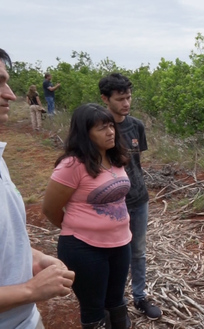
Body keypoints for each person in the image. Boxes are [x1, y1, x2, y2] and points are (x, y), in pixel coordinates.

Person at [0, 48, 75, 328]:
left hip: (25, 319)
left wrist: (35, 258)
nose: (10, 94)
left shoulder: (1, 159)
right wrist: (30, 290)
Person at [42, 103, 132, 329]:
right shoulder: (72, 165)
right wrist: (79, 227)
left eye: (111, 125)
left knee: (116, 302)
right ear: (85, 133)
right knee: (94, 309)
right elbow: (50, 209)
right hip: (85, 248)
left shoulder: (115, 158)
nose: (110, 131)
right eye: (102, 128)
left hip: (121, 243)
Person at [99, 73, 162, 320]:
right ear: (105, 98)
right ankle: (115, 303)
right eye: (120, 98)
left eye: (129, 97)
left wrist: (138, 188)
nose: (126, 103)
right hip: (112, 204)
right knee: (114, 254)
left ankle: (139, 297)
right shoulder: (101, 128)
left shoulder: (136, 125)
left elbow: (137, 162)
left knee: (138, 251)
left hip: (139, 198)